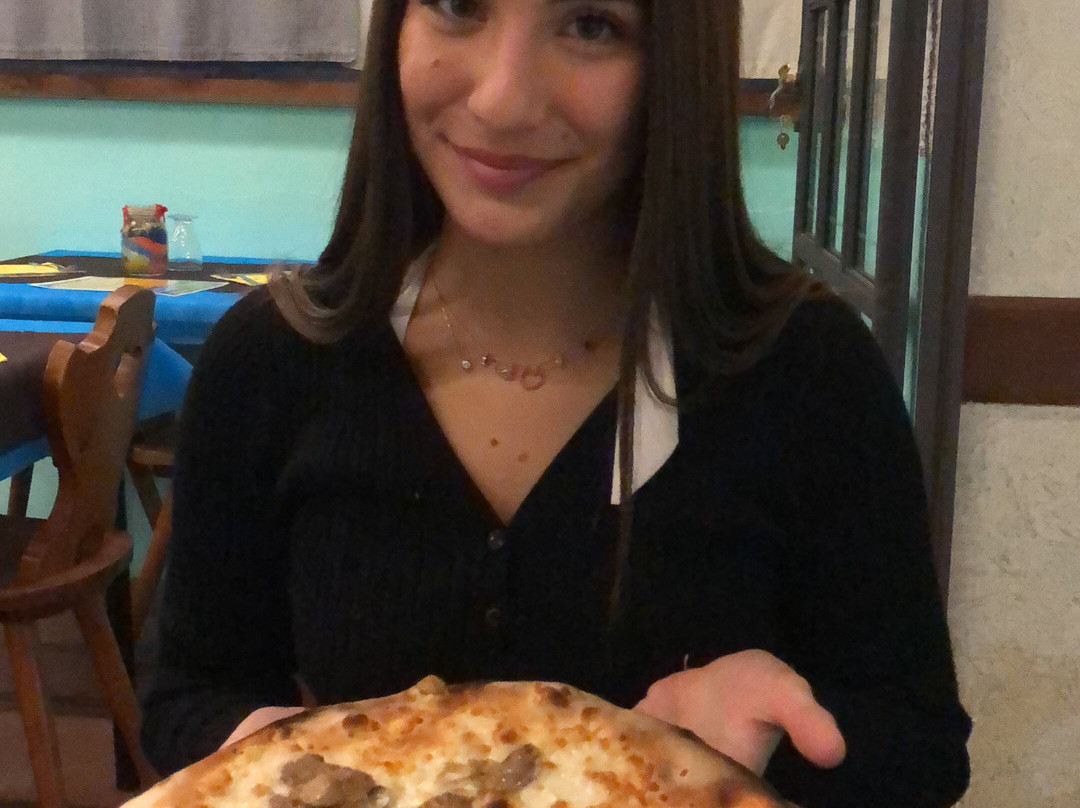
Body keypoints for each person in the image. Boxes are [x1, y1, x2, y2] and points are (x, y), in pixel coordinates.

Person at [141, 0, 972, 805]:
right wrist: (267, 759)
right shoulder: (271, 360)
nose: (502, 100)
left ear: (675, 62)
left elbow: (921, 747)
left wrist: (774, 744)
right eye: (458, 4)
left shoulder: (809, 371)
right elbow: (190, 690)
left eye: (591, 25)